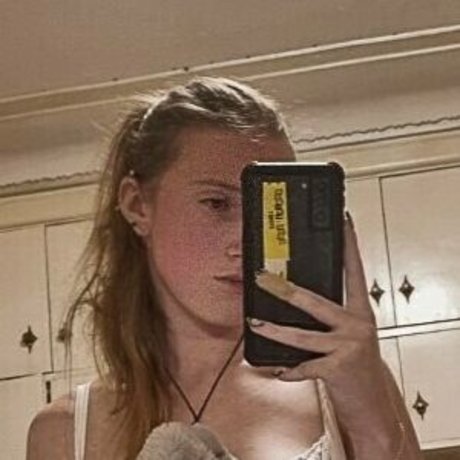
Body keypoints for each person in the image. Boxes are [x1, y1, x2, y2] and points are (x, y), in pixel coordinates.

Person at [26, 76, 423, 460]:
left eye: (269, 208)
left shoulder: (339, 382)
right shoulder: (64, 432)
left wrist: (372, 423)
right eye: (217, 204)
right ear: (137, 205)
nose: (248, 243)